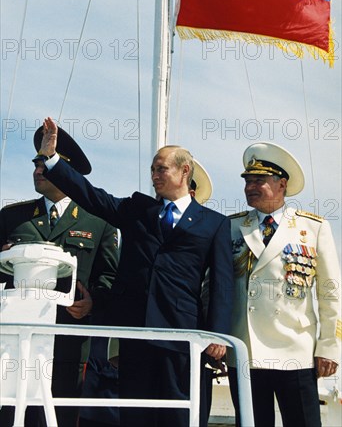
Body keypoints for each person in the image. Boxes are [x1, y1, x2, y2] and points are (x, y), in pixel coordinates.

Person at [39, 116, 234, 427]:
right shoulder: (136, 210)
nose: (154, 174)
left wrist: (218, 335)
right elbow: (91, 196)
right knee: (134, 417)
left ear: (184, 171)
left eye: (161, 168)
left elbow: (223, 285)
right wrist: (51, 159)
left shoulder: (214, 223)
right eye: (153, 169)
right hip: (135, 333)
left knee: (179, 418)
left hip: (182, 336)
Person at [0, 126, 119, 427]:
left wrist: (93, 303)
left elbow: (109, 277)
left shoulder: (100, 222)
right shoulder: (11, 217)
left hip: (69, 342)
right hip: (13, 343)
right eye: (36, 164)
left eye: (45, 164)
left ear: (68, 172)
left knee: (61, 417)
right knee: (11, 415)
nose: (38, 170)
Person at [226, 141, 341, 427]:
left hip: (296, 351)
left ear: (282, 184)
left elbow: (330, 293)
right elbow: (212, 289)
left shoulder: (313, 228)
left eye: (259, 181)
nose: (250, 187)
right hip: (246, 351)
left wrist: (329, 347)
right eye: (247, 181)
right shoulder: (230, 227)